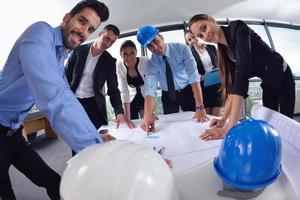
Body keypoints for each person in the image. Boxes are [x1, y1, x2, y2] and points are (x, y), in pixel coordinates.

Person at [0, 0, 110, 199]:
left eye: (90, 29)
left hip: (14, 133)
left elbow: (67, 96)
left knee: (55, 183)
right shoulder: (39, 33)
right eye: (82, 21)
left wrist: (94, 135)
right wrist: (95, 149)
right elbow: (53, 97)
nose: (84, 31)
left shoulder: (59, 57)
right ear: (67, 17)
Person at [188, 14, 295, 140]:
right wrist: (223, 119)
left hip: (282, 76)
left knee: (286, 125)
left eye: (204, 28)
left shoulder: (237, 27)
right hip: (267, 81)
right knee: (269, 122)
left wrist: (229, 128)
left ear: (211, 20)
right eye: (200, 36)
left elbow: (242, 72)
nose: (205, 36)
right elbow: (233, 88)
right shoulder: (223, 52)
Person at [136, 25, 208, 134]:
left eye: (156, 41)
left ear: (161, 37)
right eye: (150, 46)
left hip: (187, 92)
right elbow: (150, 90)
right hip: (168, 97)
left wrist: (200, 106)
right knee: (171, 129)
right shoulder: (152, 64)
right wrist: (147, 115)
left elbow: (193, 76)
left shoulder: (182, 49)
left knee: (197, 123)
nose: (155, 47)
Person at [66, 24, 135, 130]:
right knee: (76, 135)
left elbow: (113, 90)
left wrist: (119, 112)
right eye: (107, 38)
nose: (108, 43)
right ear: (100, 34)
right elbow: (65, 77)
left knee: (98, 138)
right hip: (73, 101)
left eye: (112, 42)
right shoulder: (78, 51)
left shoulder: (109, 61)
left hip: (94, 104)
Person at [184, 30, 222, 116]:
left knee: (216, 116)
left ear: (198, 35)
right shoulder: (189, 54)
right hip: (202, 87)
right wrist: (202, 77)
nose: (193, 40)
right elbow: (189, 72)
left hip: (217, 84)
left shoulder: (211, 47)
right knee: (207, 116)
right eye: (189, 40)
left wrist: (218, 69)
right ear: (188, 43)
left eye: (193, 37)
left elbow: (220, 63)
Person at [117, 40, 149, 120]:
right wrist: (127, 119)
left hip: (146, 99)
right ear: (120, 54)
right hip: (131, 101)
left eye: (132, 53)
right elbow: (124, 91)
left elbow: (151, 86)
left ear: (136, 52)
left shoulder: (145, 61)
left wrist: (150, 111)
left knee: (147, 121)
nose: (129, 57)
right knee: (131, 124)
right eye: (125, 54)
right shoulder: (119, 66)